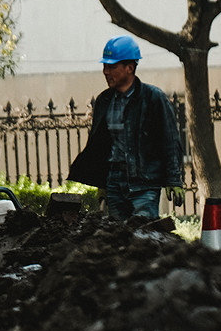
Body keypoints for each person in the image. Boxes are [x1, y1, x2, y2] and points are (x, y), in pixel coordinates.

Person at [68, 35, 184, 221]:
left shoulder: (153, 98)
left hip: (144, 184)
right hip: (115, 183)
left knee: (143, 235)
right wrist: (102, 183)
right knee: (119, 239)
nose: (106, 72)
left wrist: (173, 180)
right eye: (104, 66)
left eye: (112, 66)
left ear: (130, 67)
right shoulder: (104, 101)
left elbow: (169, 141)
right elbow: (100, 146)